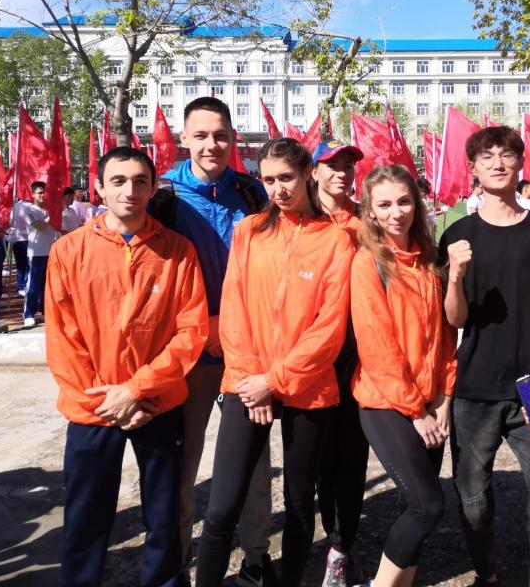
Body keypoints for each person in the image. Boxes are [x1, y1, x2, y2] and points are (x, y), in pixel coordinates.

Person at [44, 146, 210, 586]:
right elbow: (63, 338)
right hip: (92, 406)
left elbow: (190, 332)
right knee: (86, 516)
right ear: (99, 188)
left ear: (153, 188)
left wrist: (136, 390)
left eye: (140, 181)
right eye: (118, 181)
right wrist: (106, 402)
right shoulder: (69, 250)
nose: (130, 190)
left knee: (163, 514)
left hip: (156, 403)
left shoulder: (178, 251)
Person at [195, 138, 354, 587]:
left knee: (300, 501)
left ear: (308, 174)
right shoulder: (248, 230)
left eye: (286, 178)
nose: (278, 189)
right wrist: (253, 379)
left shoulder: (336, 239)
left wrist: (276, 380)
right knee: (223, 506)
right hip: (247, 383)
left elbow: (329, 325)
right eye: (268, 180)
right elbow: (234, 307)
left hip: (308, 383)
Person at [438, 125, 530, 586]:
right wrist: (455, 276)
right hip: (474, 390)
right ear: (473, 168)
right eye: (487, 156)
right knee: (473, 502)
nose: (498, 163)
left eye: (507, 155)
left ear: (520, 163)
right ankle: (488, 571)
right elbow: (454, 319)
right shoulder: (458, 234)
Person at [154, 96, 273, 584]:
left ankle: (257, 558)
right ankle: (179, 562)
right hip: (191, 352)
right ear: (184, 138)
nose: (211, 145)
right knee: (183, 465)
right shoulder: (163, 196)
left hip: (247, 353)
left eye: (221, 136)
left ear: (233, 138)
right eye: (201, 136)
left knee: (255, 463)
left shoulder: (251, 192)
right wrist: (203, 326)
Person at [351, 165, 456, 587]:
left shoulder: (429, 260)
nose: (396, 213)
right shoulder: (368, 263)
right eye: (385, 205)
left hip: (430, 402)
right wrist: (416, 411)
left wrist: (443, 397)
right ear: (371, 211)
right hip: (386, 403)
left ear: (417, 203)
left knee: (410, 506)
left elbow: (445, 337)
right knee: (428, 507)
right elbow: (377, 346)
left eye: (404, 201)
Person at [310, 139, 371, 587]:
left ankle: (341, 547)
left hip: (357, 356)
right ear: (313, 171)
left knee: (352, 458)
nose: (341, 173)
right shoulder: (300, 220)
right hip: (311, 358)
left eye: (348, 165)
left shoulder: (368, 221)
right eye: (331, 165)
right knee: (317, 460)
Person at [21, 181, 56, 328]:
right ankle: (28, 314)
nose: (42, 195)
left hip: (50, 251)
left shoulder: (48, 209)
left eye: (44, 192)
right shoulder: (28, 210)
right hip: (36, 252)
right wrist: (52, 216)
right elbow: (40, 226)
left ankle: (45, 310)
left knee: (48, 285)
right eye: (39, 193)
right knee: (33, 285)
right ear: (33, 194)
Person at [9, 196, 30, 298]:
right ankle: (23, 286)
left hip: (17, 239)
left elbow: (10, 222)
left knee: (21, 265)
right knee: (26, 265)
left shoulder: (15, 206)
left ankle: (21, 286)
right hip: (25, 238)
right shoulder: (28, 206)